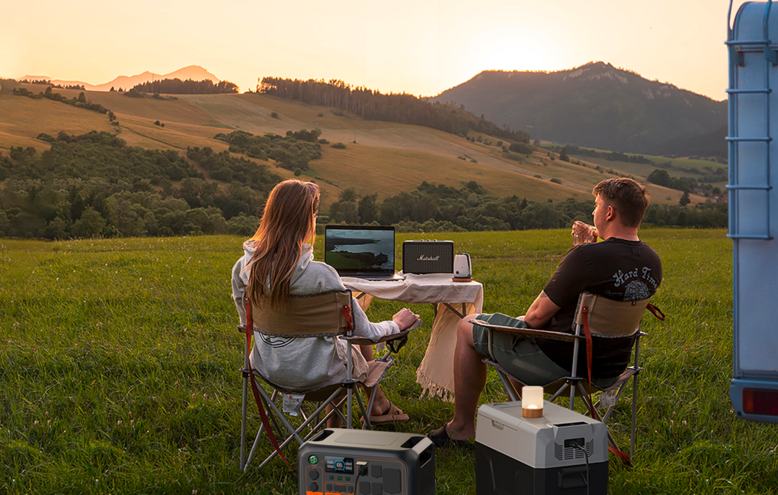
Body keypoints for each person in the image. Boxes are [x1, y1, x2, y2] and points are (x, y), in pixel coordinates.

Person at [428, 176, 662, 445]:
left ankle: (461, 426)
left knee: (468, 325)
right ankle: (525, 423)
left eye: (596, 206)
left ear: (610, 213)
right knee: (517, 329)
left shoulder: (587, 258)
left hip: (563, 365)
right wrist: (584, 252)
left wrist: (580, 253)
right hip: (610, 370)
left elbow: (535, 317)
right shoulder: (652, 260)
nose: (593, 212)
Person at [232, 178, 419, 423]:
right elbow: (366, 333)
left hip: (268, 370)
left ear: (270, 215)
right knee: (344, 343)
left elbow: (247, 323)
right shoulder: (321, 275)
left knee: (337, 340)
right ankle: (357, 417)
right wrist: (397, 324)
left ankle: (366, 410)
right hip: (322, 376)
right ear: (308, 220)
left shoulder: (243, 269)